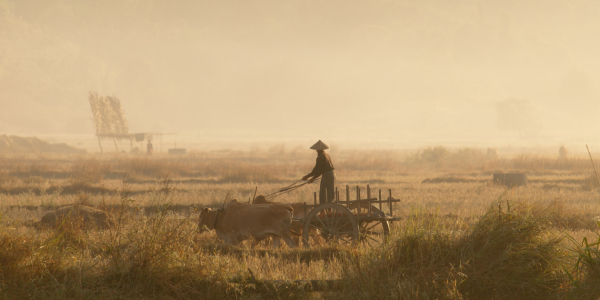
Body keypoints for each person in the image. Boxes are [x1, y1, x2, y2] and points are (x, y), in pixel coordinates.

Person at [302, 140, 336, 204]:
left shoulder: (320, 156)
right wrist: (308, 176)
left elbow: (319, 170)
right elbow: (317, 169)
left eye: (316, 149)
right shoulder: (326, 155)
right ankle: (329, 208)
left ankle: (324, 209)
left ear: (318, 149)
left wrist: (312, 178)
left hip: (327, 174)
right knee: (330, 191)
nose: (316, 150)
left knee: (323, 192)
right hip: (331, 174)